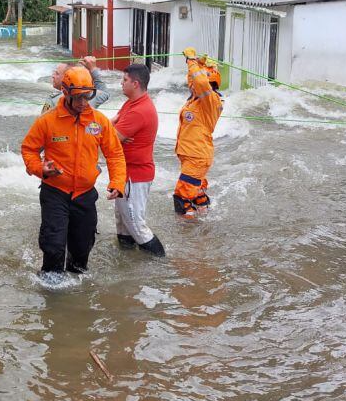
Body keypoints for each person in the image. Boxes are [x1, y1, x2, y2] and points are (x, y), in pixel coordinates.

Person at [22, 66, 126, 276]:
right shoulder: (47, 121)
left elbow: (115, 154)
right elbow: (29, 150)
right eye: (78, 97)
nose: (82, 102)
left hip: (85, 195)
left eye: (87, 96)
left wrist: (117, 182)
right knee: (53, 246)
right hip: (54, 194)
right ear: (66, 93)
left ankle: (77, 296)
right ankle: (52, 295)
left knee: (82, 249)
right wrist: (39, 168)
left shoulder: (99, 121)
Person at [111, 64, 165, 256]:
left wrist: (113, 132)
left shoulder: (139, 110)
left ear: (135, 83)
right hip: (126, 173)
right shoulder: (130, 104)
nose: (121, 83)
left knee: (136, 226)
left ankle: (162, 265)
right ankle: (128, 265)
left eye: (124, 80)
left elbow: (111, 138)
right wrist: (113, 130)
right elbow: (113, 127)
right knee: (123, 224)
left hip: (135, 175)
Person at [173, 48, 223, 221]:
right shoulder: (197, 99)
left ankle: (186, 235)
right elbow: (195, 80)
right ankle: (203, 228)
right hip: (192, 154)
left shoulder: (211, 100)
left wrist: (192, 61)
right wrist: (198, 64)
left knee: (181, 198)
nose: (192, 85)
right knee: (195, 194)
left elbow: (200, 82)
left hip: (196, 156)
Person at [41, 56, 110, 114]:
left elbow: (43, 125)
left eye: (57, 73)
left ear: (67, 77)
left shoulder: (53, 101)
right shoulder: (90, 95)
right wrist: (93, 69)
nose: (53, 76)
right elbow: (105, 93)